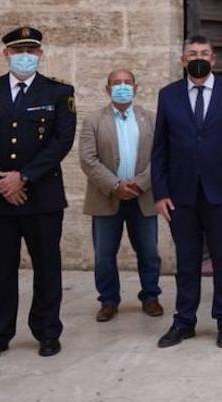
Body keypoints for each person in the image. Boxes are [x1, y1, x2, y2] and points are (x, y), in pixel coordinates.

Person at [0, 27, 76, 362]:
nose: (25, 56)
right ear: (6, 54)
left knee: (47, 267)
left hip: (42, 197)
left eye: (31, 50)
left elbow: (62, 141)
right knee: (0, 269)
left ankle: (47, 332)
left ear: (40, 54)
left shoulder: (59, 92)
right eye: (18, 51)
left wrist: (24, 177)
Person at [152, 35, 222, 349]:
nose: (198, 57)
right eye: (192, 53)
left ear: (214, 59)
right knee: (187, 260)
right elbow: (160, 148)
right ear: (183, 60)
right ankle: (184, 320)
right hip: (180, 194)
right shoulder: (168, 95)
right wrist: (160, 192)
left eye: (204, 53)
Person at [78, 68, 163, 322]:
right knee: (104, 254)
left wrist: (139, 184)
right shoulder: (93, 120)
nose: (122, 86)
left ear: (136, 88)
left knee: (149, 251)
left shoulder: (151, 119)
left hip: (142, 197)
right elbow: (87, 159)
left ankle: (150, 296)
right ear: (107, 89)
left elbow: (160, 156)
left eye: (127, 83)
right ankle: (108, 300)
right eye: (117, 83)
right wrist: (115, 185)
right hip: (106, 197)